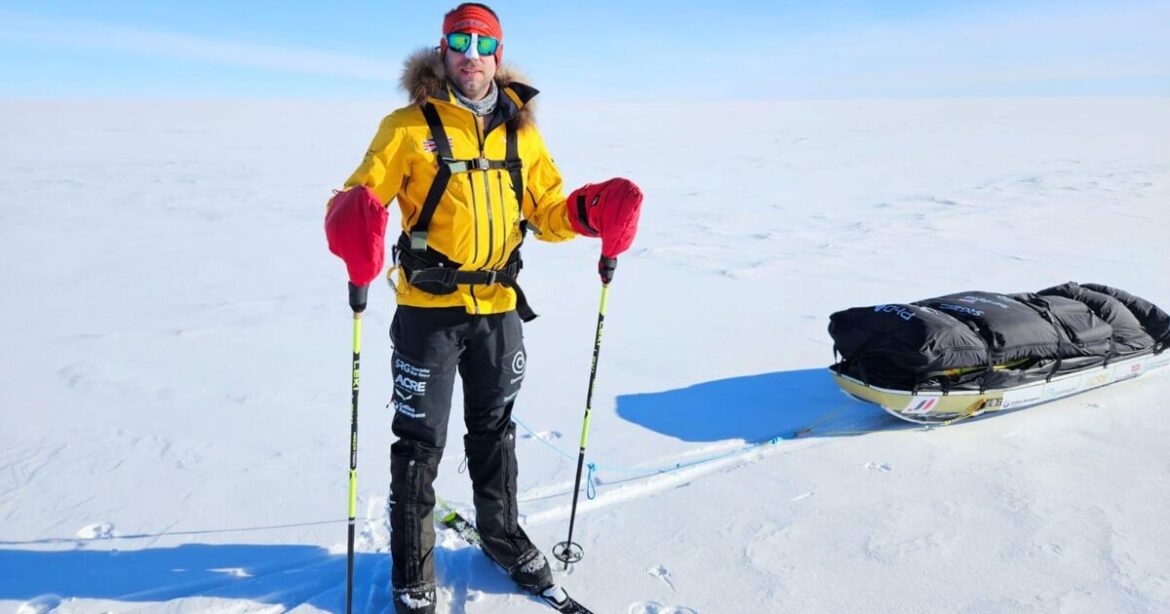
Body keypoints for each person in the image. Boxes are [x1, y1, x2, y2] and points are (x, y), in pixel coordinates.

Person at [324, 4, 642, 613]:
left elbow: (546, 209)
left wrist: (590, 210)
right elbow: (359, 193)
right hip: (428, 311)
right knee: (419, 441)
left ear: (498, 53)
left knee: (494, 430)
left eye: (483, 42)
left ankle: (501, 534)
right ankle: (413, 570)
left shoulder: (521, 128)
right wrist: (352, 221)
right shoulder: (406, 126)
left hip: (498, 307)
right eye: (459, 40)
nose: (471, 53)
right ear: (442, 51)